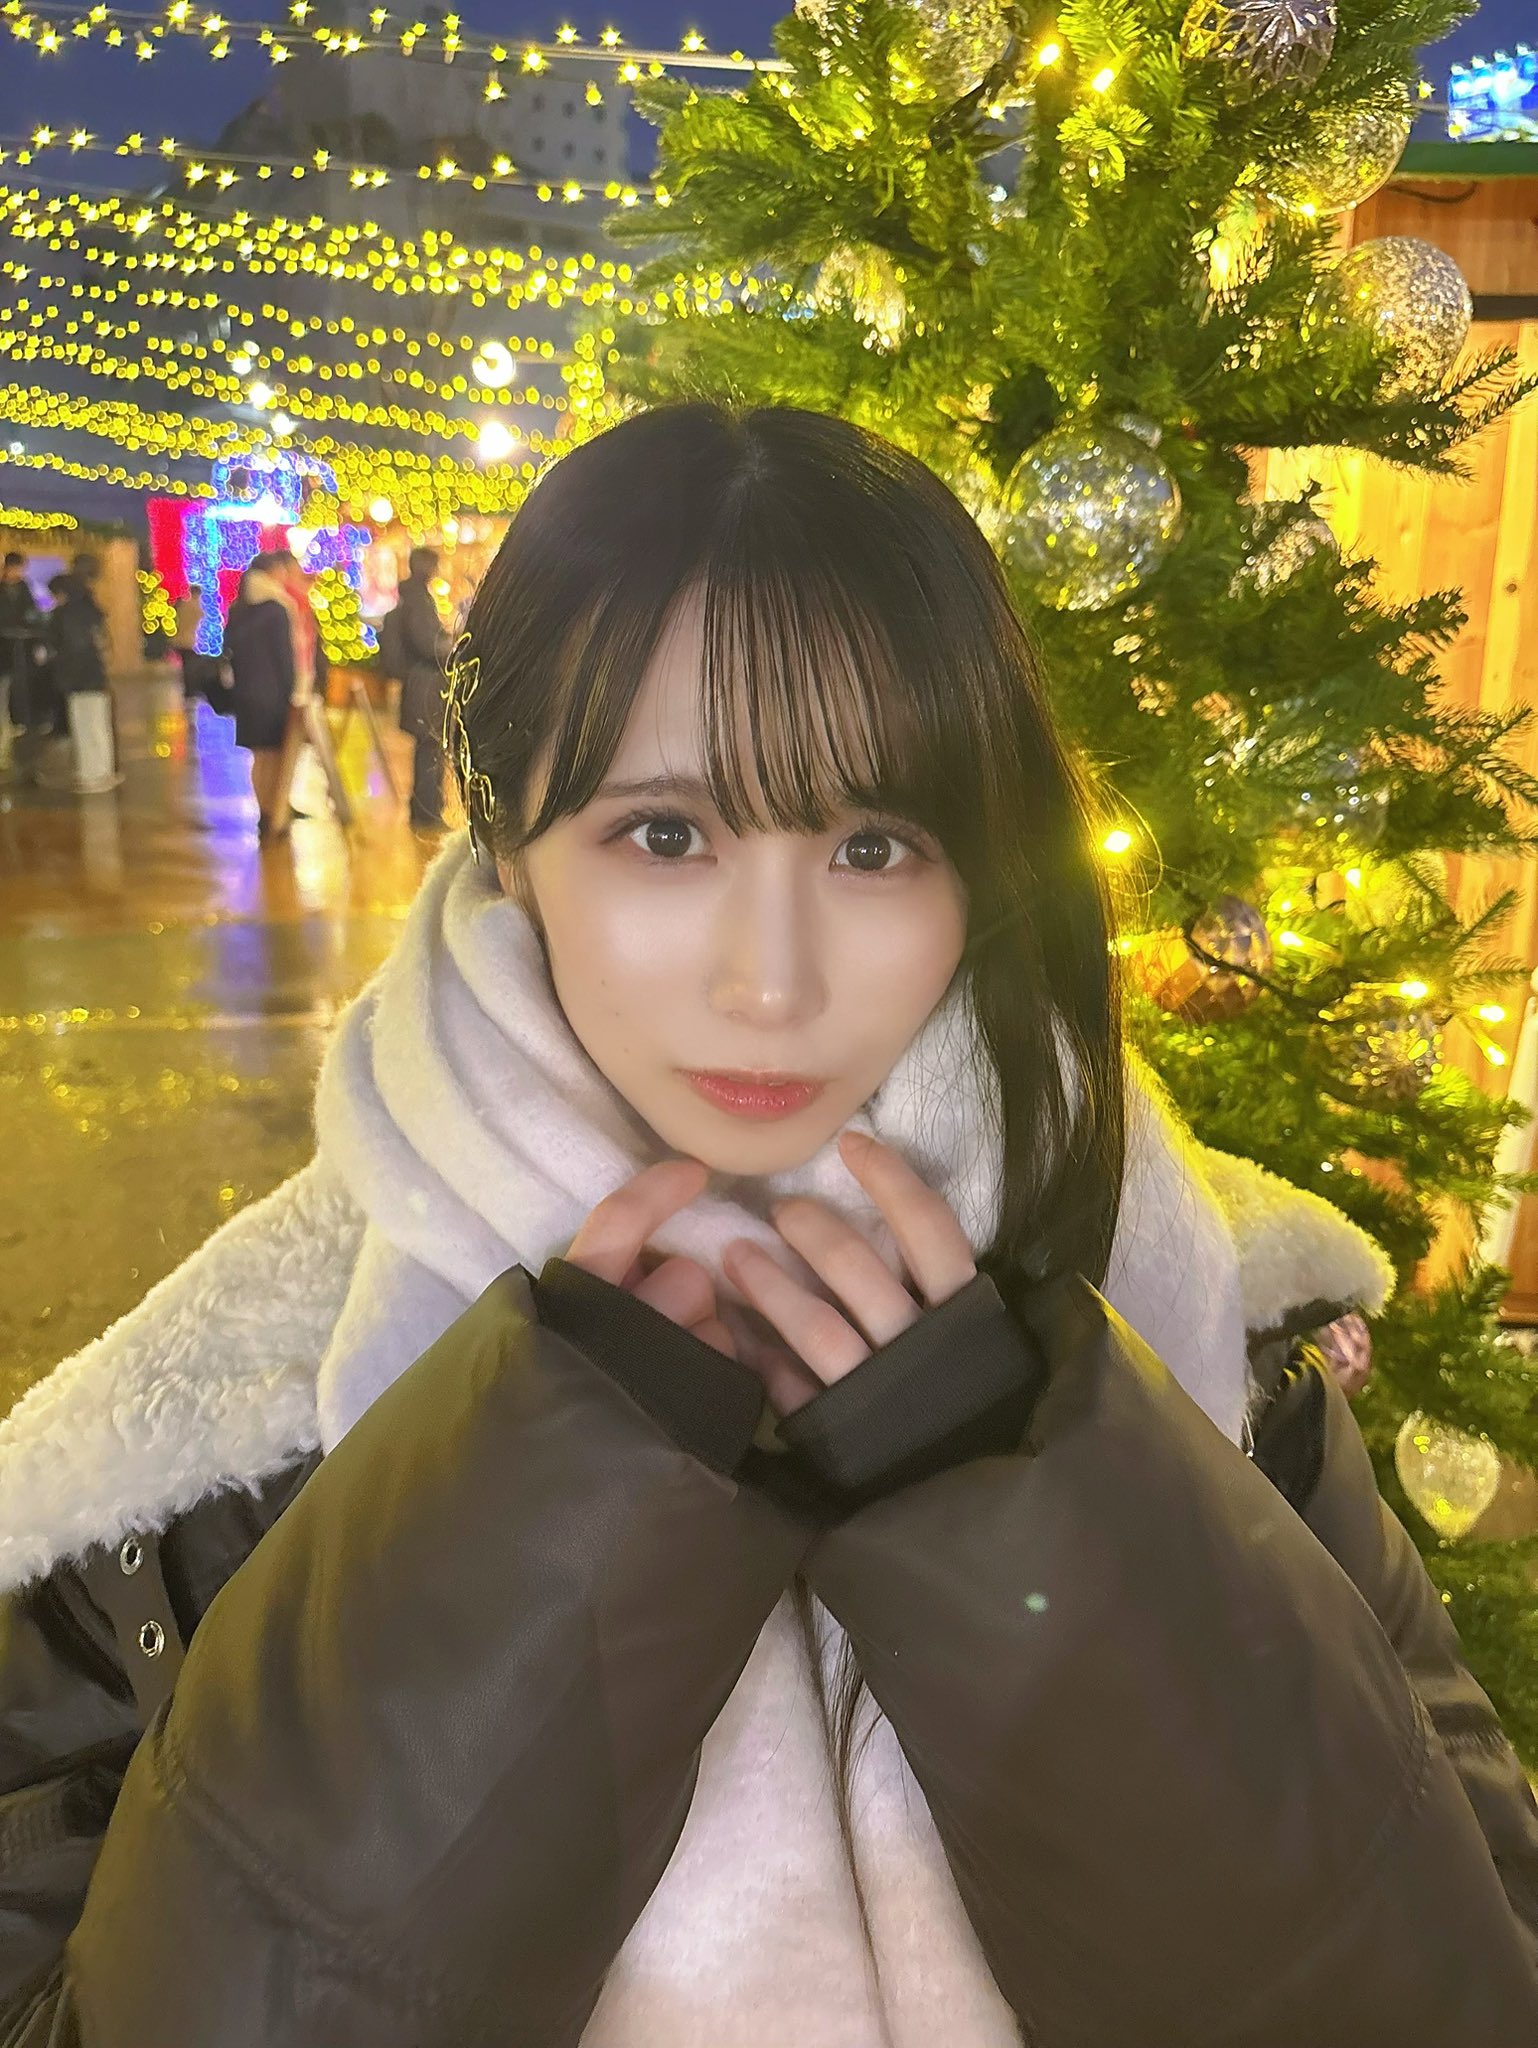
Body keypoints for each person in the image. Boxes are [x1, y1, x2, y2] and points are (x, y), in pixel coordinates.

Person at [2, 404, 1536, 2045]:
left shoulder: (1221, 1335)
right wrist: (501, 1561)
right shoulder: (198, 1445)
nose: (772, 982)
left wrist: (1043, 1528)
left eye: (872, 844)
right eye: (665, 834)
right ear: (508, 836)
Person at [222, 553, 309, 839]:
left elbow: (229, 650)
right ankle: (274, 812)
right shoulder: (278, 608)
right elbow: (284, 657)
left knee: (258, 756)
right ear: (271, 573)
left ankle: (264, 812)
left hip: (246, 692)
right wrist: (293, 689)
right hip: (273, 694)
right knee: (274, 756)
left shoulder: (239, 608)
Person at [380, 543, 451, 830]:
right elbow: (426, 643)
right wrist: (450, 645)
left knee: (428, 748)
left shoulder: (410, 597)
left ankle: (424, 809)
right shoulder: (419, 601)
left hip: (418, 683)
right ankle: (427, 812)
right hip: (426, 685)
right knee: (430, 748)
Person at [46, 566, 118, 793]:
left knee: (85, 726)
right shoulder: (90, 610)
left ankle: (91, 774)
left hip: (78, 679)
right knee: (98, 725)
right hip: (95, 676)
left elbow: (67, 648)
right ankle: (104, 771)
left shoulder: (66, 615)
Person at [0, 550, 44, 740]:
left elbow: (31, 610)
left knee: (25, 681)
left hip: (23, 642)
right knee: (8, 684)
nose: (20, 572)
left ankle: (25, 719)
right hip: (5, 644)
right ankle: (12, 720)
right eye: (18, 568)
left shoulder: (24, 587)